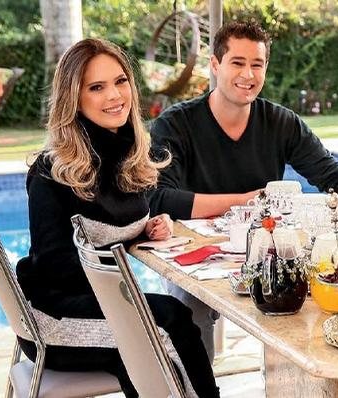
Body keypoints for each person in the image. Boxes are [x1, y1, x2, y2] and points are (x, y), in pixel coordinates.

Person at [15, 38, 219, 397]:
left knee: (159, 343)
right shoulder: (53, 172)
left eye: (120, 81)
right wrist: (123, 282)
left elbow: (113, 226)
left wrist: (149, 227)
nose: (114, 96)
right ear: (73, 98)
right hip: (54, 318)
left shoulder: (127, 158)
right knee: (169, 323)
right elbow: (57, 266)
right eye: (97, 87)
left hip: (101, 306)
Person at [149, 20, 338, 360]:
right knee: (188, 310)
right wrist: (251, 200)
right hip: (198, 255)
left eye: (257, 64)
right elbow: (159, 197)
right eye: (237, 63)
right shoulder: (175, 124)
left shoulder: (281, 122)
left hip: (268, 250)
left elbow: (330, 172)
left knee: (329, 283)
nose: (248, 75)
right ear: (215, 65)